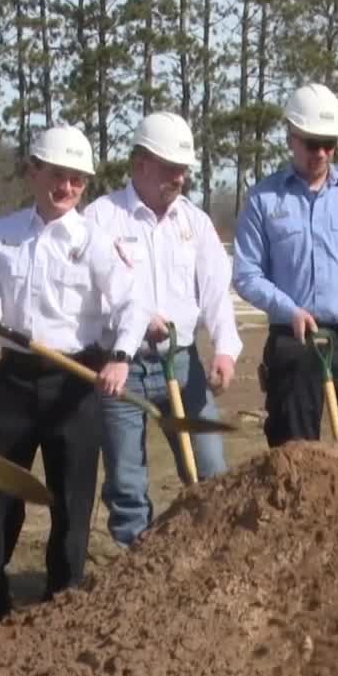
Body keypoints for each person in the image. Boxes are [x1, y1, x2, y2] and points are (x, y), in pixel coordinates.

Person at [0, 125, 147, 631]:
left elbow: (133, 304)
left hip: (75, 380)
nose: (67, 187)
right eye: (58, 176)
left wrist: (120, 357)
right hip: (14, 381)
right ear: (32, 172)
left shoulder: (95, 242)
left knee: (71, 497)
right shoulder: (2, 236)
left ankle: (62, 599)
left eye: (77, 180)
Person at [83, 112, 242, 548]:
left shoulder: (196, 223)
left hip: (183, 363)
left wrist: (225, 351)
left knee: (208, 470)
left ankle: (209, 556)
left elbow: (215, 295)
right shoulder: (102, 218)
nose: (181, 178)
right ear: (141, 163)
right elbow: (91, 298)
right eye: (172, 168)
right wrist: (133, 324)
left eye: (184, 169)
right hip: (123, 367)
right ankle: (134, 565)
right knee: (127, 481)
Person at [233, 83, 338, 446]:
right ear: (291, 137)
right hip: (293, 341)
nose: (321, 153)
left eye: (330, 144)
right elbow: (246, 274)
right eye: (312, 143)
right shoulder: (264, 200)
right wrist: (288, 309)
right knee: (292, 454)